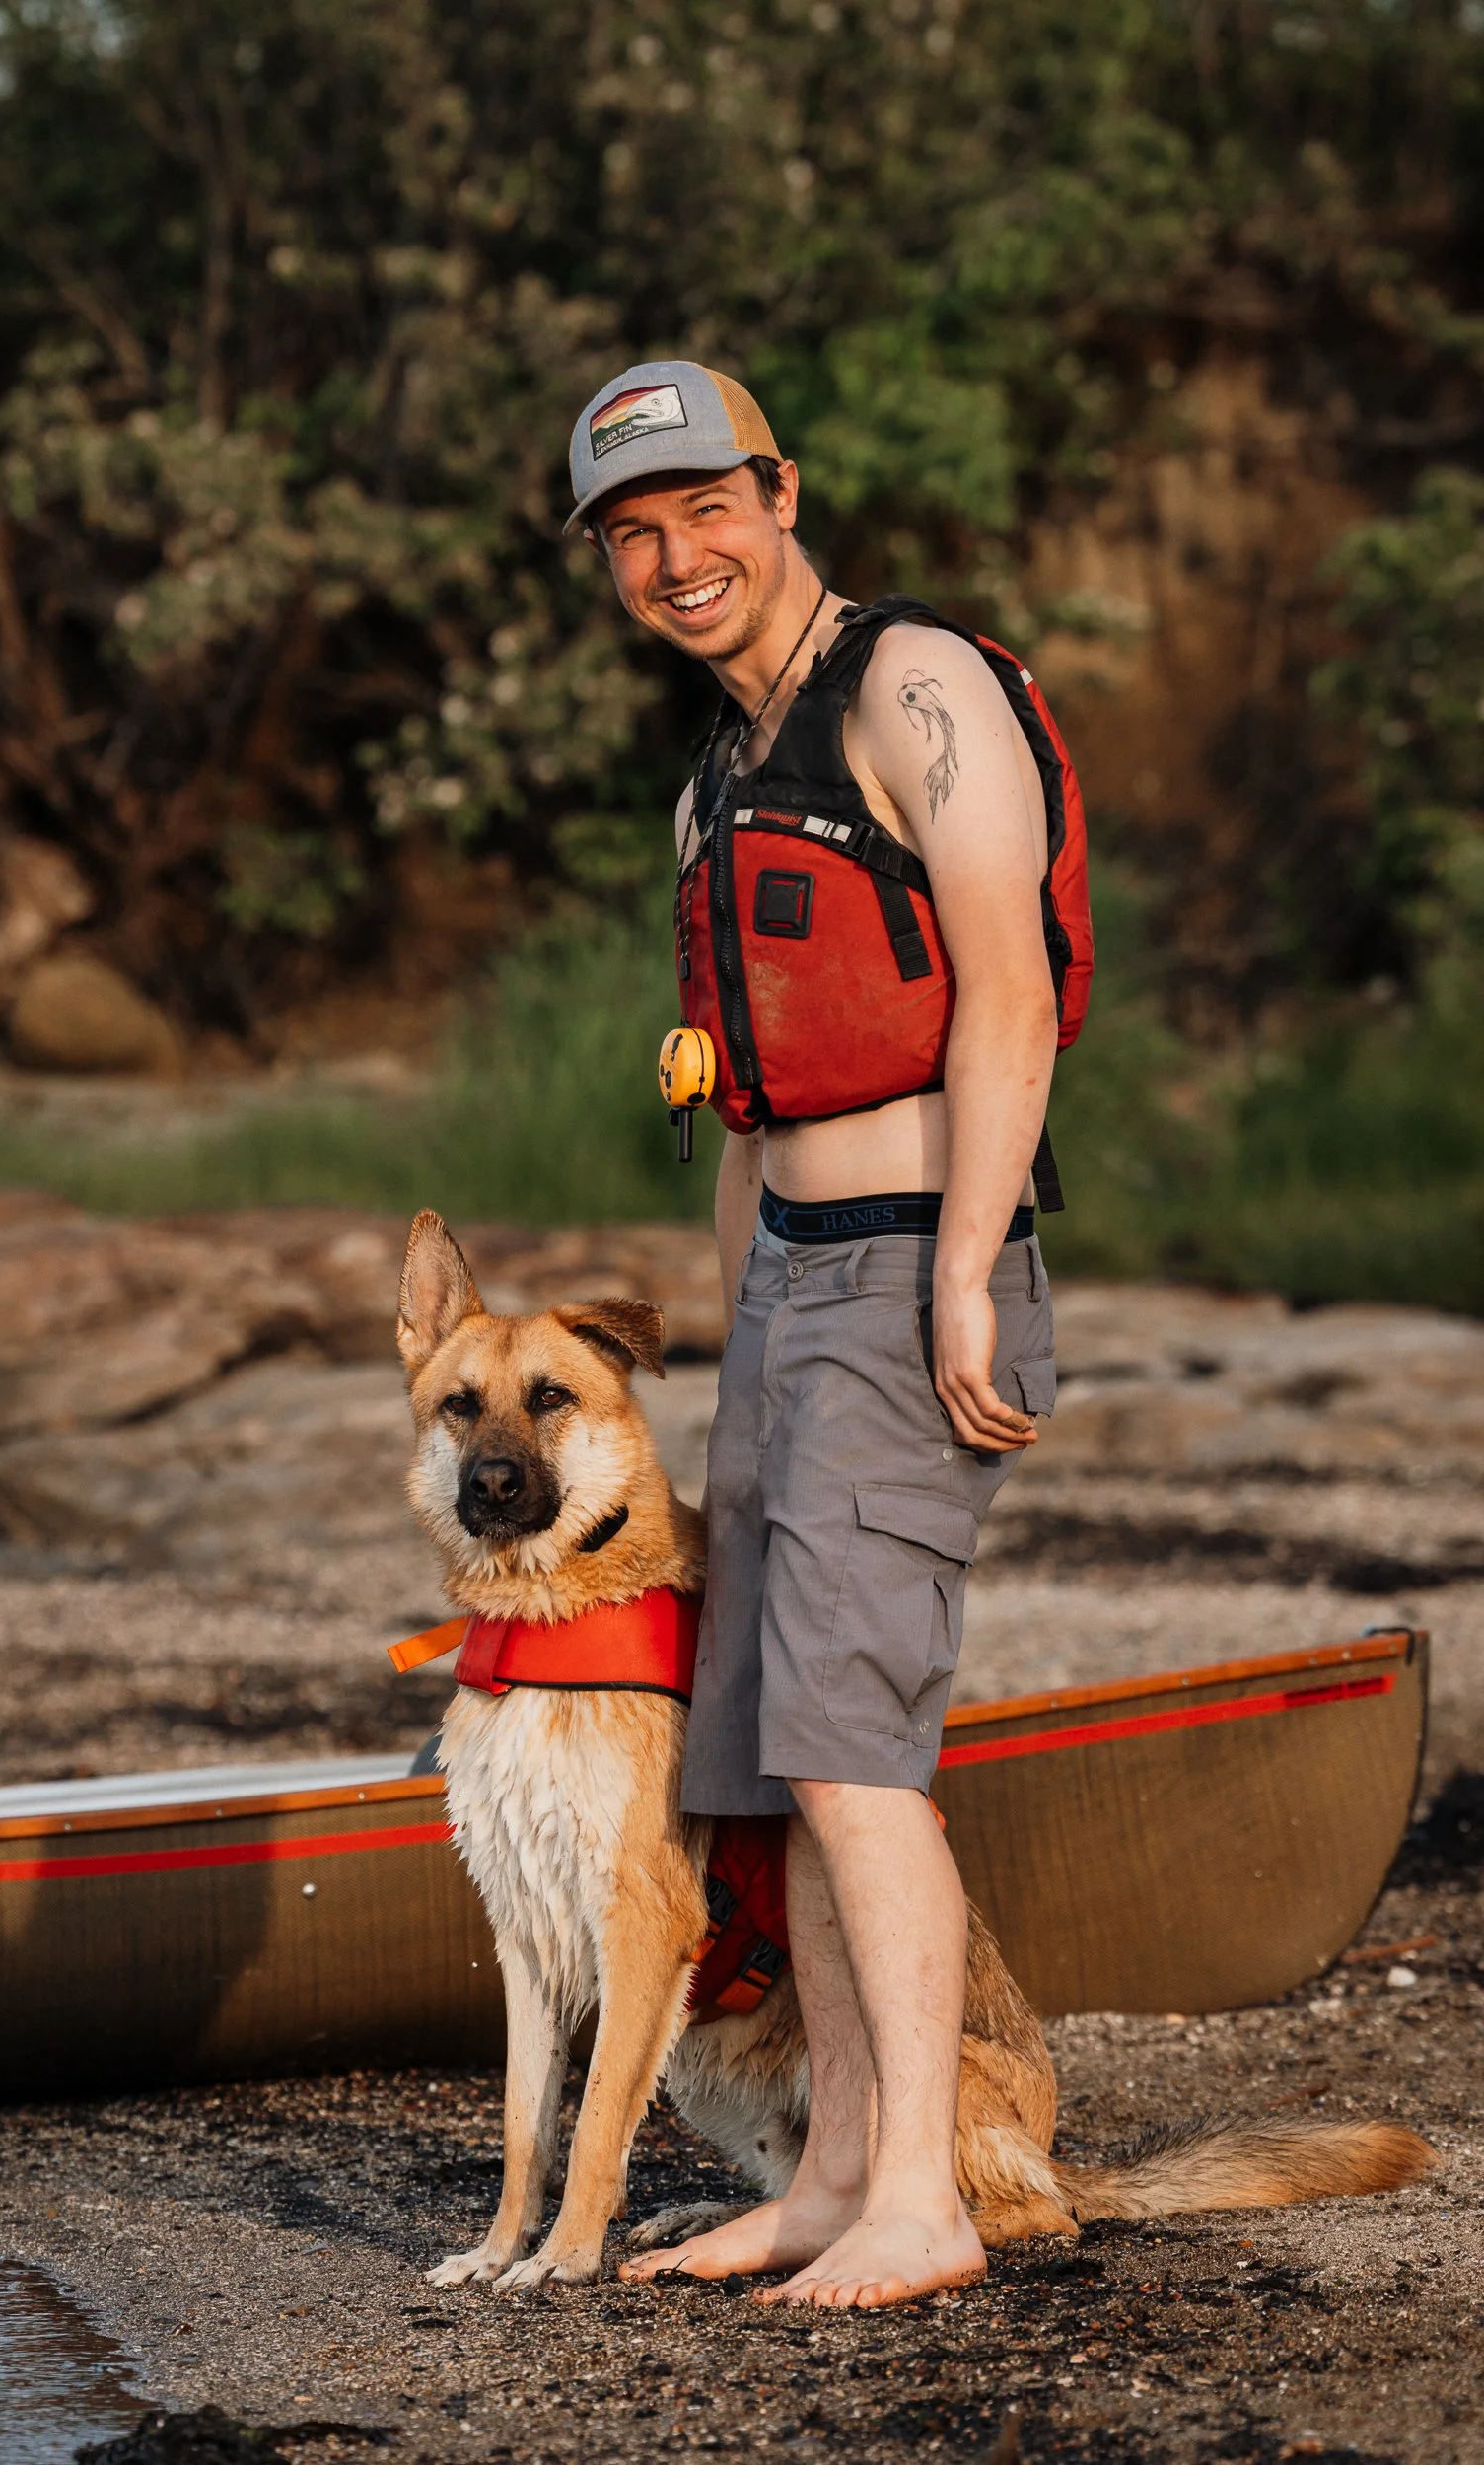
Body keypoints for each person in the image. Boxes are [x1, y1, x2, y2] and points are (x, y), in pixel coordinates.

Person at [570, 362, 1072, 2310]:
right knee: (781, 1750)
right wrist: (731, 1341)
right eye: (633, 533)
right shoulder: (718, 765)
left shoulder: (913, 686)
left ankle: (925, 2202)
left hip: (909, 1254)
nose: (676, 556)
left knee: (857, 1744)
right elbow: (745, 1090)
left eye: (705, 507)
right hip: (790, 1278)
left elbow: (1007, 995)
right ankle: (840, 2167)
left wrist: (962, 1267)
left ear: (778, 490)